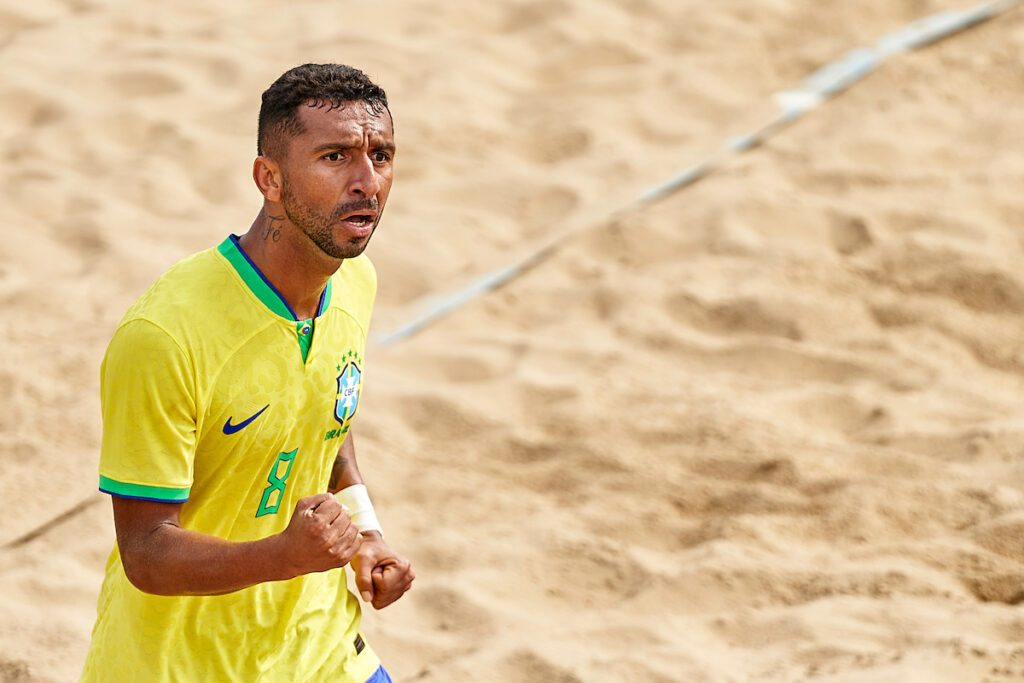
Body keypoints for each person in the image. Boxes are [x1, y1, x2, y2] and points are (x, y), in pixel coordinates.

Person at [80, 63, 414, 683]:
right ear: (269, 178)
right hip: (178, 666)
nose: (367, 182)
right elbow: (147, 551)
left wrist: (365, 531)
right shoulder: (165, 336)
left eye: (382, 155)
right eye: (336, 156)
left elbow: (325, 418)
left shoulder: (354, 283)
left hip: (320, 650)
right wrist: (284, 556)